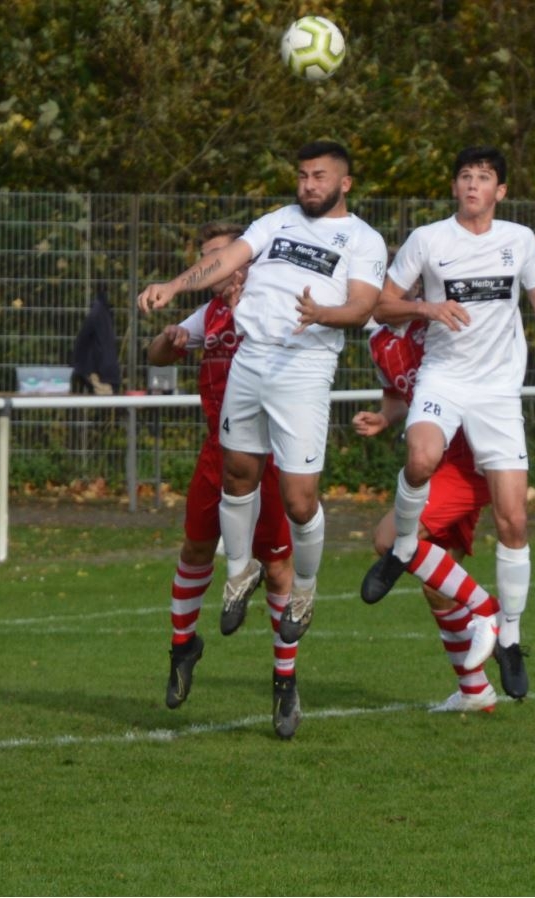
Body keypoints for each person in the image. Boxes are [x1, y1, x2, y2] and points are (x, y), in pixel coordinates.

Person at [139, 141, 388, 730]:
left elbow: (361, 308)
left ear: (344, 183)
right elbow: (226, 260)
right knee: (237, 474)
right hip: (254, 357)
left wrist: (321, 315)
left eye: (319, 176)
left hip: (304, 365)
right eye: (302, 175)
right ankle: (237, 576)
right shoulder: (276, 221)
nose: (308, 185)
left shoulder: (363, 239)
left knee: (299, 500)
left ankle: (305, 589)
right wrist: (174, 287)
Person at [359, 145, 535, 700]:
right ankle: (403, 547)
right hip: (443, 380)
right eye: (465, 176)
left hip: (496, 394)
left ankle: (508, 637)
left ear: (501, 191)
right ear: (454, 187)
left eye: (484, 177)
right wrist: (427, 308)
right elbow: (381, 306)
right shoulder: (428, 240)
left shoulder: (520, 239)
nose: (473, 184)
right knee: (420, 457)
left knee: (514, 521)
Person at [145, 221, 300, 738]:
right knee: (194, 548)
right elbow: (156, 355)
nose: (210, 266)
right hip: (217, 452)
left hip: (268, 454)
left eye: (220, 256)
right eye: (205, 258)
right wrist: (169, 339)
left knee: (277, 568)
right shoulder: (208, 313)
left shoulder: (271, 303)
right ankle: (183, 647)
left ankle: (285, 680)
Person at [355, 319, 502, 712]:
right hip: (434, 465)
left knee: (389, 539)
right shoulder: (379, 342)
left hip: (467, 461)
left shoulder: (438, 319)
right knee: (438, 585)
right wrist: (384, 417)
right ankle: (474, 690)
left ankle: (489, 611)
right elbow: (398, 396)